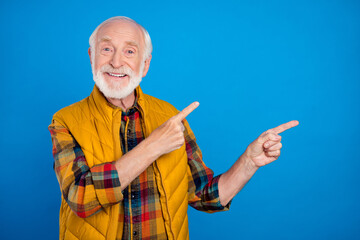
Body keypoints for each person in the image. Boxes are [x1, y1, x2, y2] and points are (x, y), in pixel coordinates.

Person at [49, 16, 299, 240]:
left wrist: (249, 162)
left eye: (129, 51)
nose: (116, 62)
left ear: (144, 65)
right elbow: (81, 198)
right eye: (106, 49)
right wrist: (152, 147)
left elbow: (205, 195)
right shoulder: (66, 120)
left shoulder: (170, 116)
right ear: (91, 57)